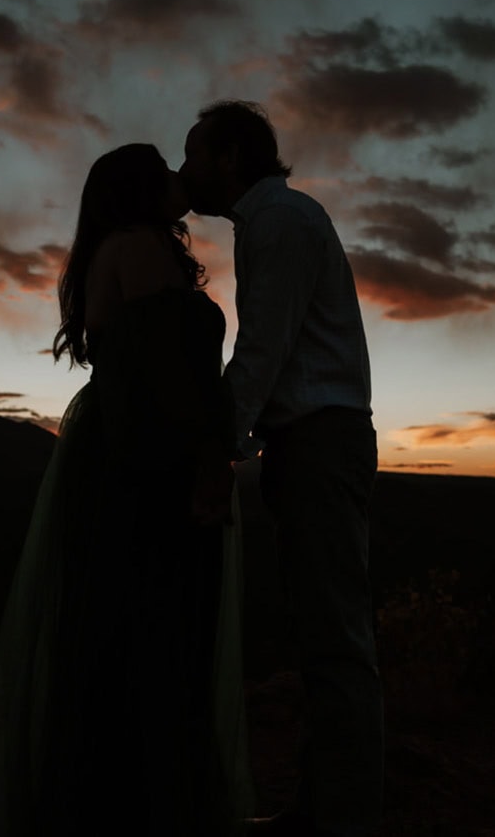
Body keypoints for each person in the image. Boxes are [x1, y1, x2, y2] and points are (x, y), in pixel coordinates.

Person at [0, 143, 255, 835]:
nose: (181, 177)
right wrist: (211, 459)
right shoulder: (136, 246)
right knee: (151, 627)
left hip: (130, 447)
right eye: (166, 171)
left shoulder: (128, 246)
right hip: (148, 455)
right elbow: (168, 374)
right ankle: (142, 806)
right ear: (140, 190)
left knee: (125, 627)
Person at [180, 101, 382, 837]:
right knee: (320, 628)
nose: (185, 171)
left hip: (319, 441)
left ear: (230, 157)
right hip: (306, 442)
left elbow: (262, 349)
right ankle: (326, 805)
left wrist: (217, 454)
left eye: (194, 154)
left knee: (334, 634)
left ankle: (346, 815)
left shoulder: (280, 222)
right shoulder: (274, 222)